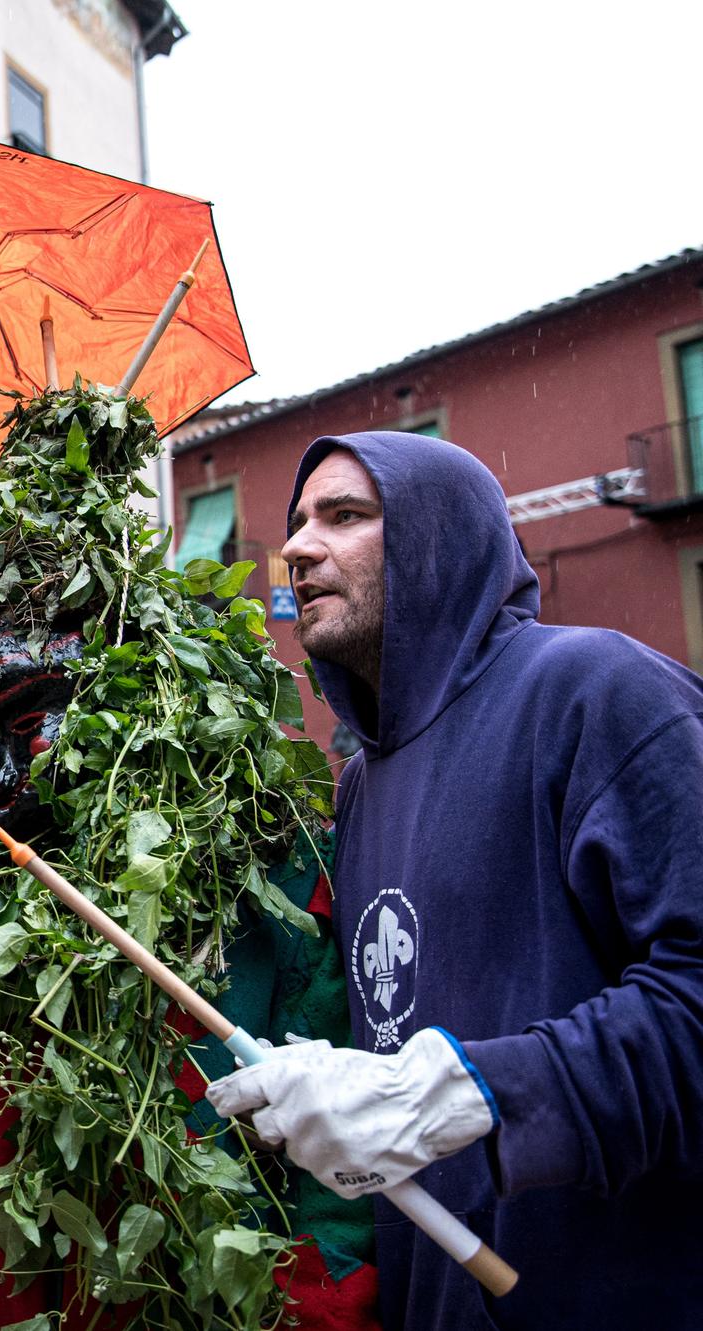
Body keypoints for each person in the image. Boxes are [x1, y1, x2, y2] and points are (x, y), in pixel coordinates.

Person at [207, 431, 703, 1326]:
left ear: (442, 540)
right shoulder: (357, 787)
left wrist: (470, 1092)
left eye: (345, 515)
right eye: (296, 522)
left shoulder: (596, 690)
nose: (298, 546)